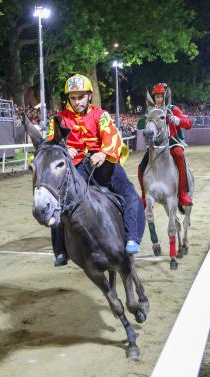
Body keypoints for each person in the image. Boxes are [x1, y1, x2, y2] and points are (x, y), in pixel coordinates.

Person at [47, 74, 146, 266]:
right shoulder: (59, 119)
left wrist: (104, 153)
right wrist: (64, 148)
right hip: (75, 167)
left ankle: (132, 237)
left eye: (81, 97)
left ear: (89, 96)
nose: (77, 102)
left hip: (101, 162)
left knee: (130, 193)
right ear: (68, 98)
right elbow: (51, 141)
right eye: (73, 98)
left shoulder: (101, 115)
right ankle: (60, 250)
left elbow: (112, 136)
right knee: (58, 202)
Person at [138, 82, 193, 208]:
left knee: (179, 154)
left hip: (172, 142)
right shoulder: (151, 111)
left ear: (166, 97)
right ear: (154, 98)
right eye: (157, 96)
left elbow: (188, 124)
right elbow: (140, 125)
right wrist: (145, 120)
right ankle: (143, 196)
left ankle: (183, 194)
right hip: (156, 145)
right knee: (141, 167)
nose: (159, 99)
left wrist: (175, 119)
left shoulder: (173, 109)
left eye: (162, 96)